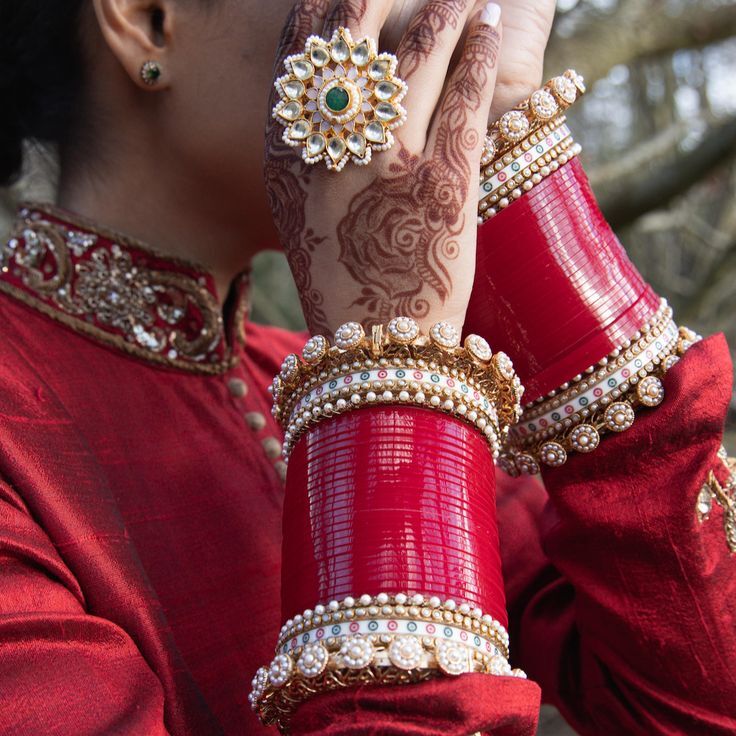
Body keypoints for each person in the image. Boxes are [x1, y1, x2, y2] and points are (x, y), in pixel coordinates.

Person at [0, 1, 733, 735]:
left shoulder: (317, 374)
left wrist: (506, 149)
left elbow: (699, 697)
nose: (420, 15)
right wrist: (388, 365)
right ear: (148, 19)